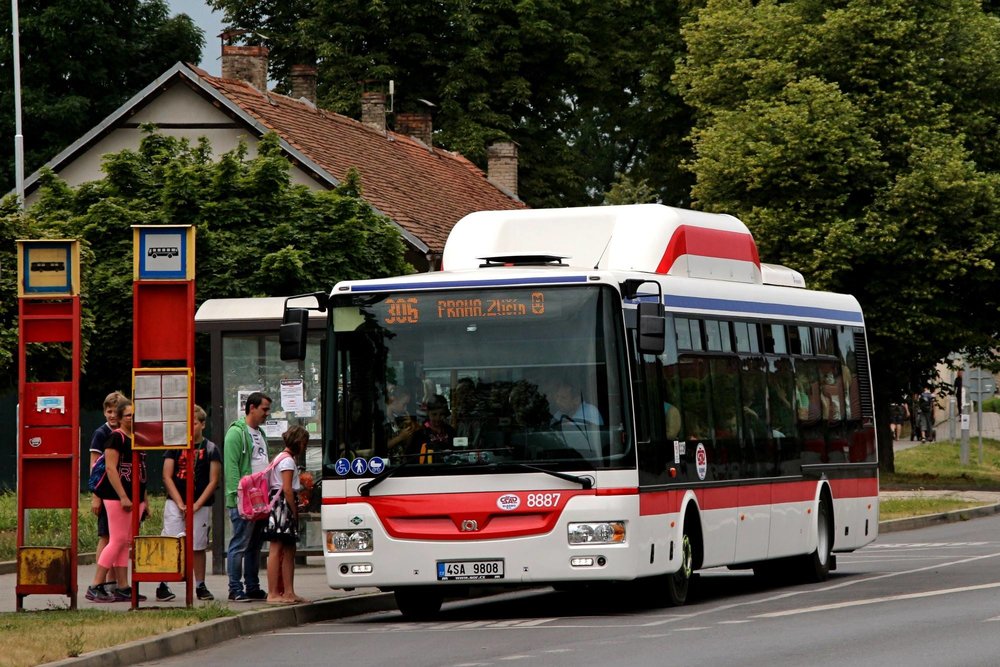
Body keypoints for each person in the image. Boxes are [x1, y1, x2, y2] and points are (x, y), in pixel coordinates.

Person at [157, 405, 222, 602]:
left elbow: (213, 480)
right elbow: (167, 476)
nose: (189, 427)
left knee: (198, 544)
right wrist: (179, 502)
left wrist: (196, 504)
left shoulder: (210, 449)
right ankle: (163, 583)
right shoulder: (176, 446)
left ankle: (200, 585)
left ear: (202, 424)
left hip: (200, 504)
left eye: (193, 423)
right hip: (175, 503)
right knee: (171, 541)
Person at [86, 400, 148, 603]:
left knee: (125, 543)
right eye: (128, 415)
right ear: (120, 419)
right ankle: (95, 585)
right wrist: (123, 496)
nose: (131, 418)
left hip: (135, 496)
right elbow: (111, 469)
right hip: (116, 496)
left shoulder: (138, 438)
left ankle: (122, 586)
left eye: (133, 414)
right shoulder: (115, 438)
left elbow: (141, 471)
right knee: (117, 540)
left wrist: (144, 499)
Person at [224, 391, 272, 602]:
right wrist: (237, 495)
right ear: (252, 408)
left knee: (254, 544)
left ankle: (252, 585)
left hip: (260, 499)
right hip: (244, 500)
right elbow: (232, 467)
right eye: (264, 409)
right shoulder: (236, 434)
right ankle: (235, 588)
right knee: (240, 543)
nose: (267, 414)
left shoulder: (260, 433)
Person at [88, 390, 126, 597]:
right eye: (108, 411)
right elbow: (94, 465)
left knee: (118, 538)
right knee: (105, 536)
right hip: (105, 492)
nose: (112, 415)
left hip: (120, 492)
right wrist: (96, 494)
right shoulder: (101, 434)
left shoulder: (124, 432)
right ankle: (99, 583)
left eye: (116, 411)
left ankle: (115, 583)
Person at [266, 426, 310, 604]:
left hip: (277, 505)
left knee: (289, 549)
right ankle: (274, 593)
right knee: (277, 548)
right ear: (299, 442)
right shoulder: (287, 461)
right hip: (282, 506)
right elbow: (287, 489)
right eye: (304, 444)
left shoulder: (280, 458)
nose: (305, 447)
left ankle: (288, 591)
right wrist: (294, 511)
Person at [408, 394, 455, 463]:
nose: (438, 418)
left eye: (441, 414)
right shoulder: (419, 433)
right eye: (434, 414)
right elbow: (412, 459)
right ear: (428, 413)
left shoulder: (450, 431)